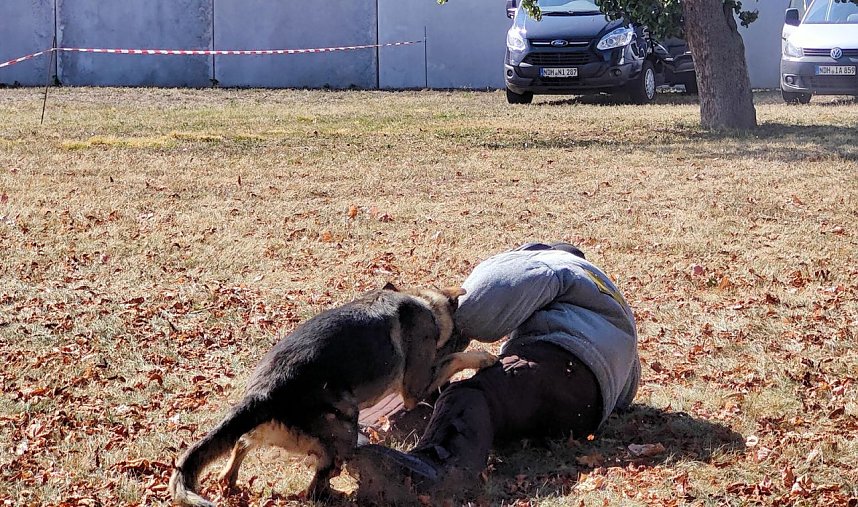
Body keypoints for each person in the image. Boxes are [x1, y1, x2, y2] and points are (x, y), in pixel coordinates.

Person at [350, 242, 641, 503]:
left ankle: (431, 472)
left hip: (559, 359)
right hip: (586, 409)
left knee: (471, 395)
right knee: (496, 405)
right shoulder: (610, 297)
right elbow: (627, 389)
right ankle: (384, 426)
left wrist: (447, 333)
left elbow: (484, 301)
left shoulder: (549, 262)